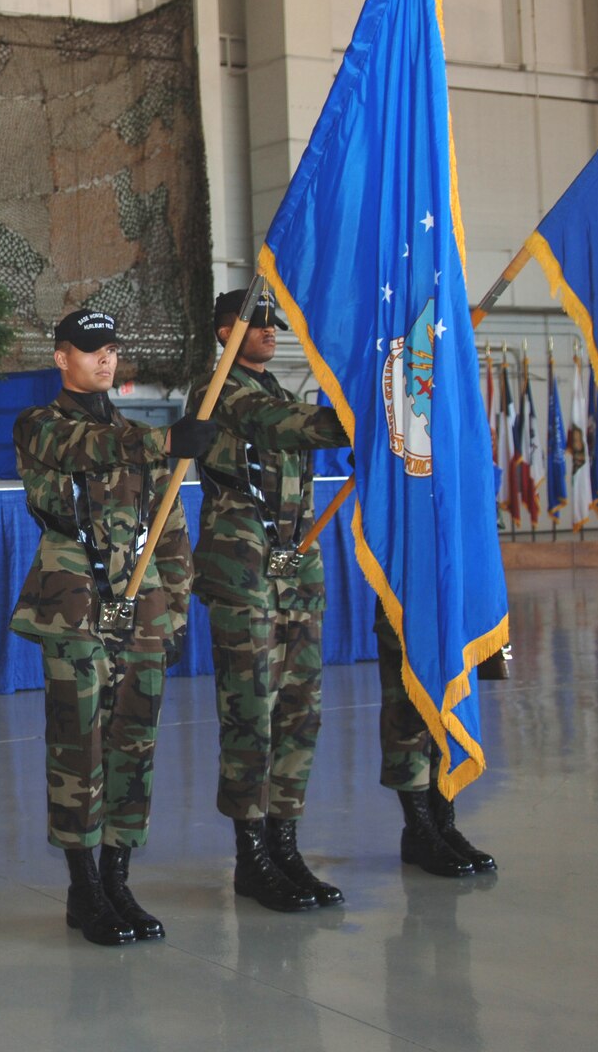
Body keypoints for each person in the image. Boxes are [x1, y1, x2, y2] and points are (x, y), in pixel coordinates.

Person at [11, 309, 219, 946]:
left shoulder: (136, 434)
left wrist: (177, 609)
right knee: (81, 749)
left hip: (143, 609)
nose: (105, 360)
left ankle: (118, 878)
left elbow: (172, 529)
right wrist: (164, 441)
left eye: (112, 349)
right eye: (90, 349)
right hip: (73, 603)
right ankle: (83, 888)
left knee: (134, 746)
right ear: (61, 357)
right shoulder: (40, 427)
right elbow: (84, 450)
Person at [190, 288, 352, 912]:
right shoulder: (221, 394)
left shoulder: (280, 393)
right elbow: (283, 428)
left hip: (295, 571)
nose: (269, 332)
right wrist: (364, 408)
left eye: (272, 325)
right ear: (225, 331)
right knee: (250, 713)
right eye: (256, 324)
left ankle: (286, 845)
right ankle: (250, 856)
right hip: (244, 571)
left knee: (298, 712)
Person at [374, 607, 499, 876]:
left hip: (449, 598)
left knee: (448, 711)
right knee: (410, 711)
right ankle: (420, 828)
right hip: (405, 594)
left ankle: (443, 825)